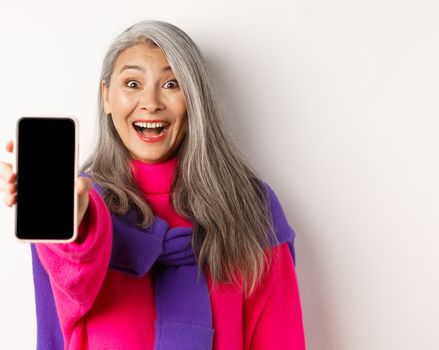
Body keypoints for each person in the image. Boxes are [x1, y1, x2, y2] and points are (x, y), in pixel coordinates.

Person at [0, 20, 306, 349]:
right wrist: (76, 225)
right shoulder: (81, 204)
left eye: (172, 84)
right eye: (132, 83)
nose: (151, 102)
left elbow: (280, 337)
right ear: (106, 97)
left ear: (195, 100)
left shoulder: (250, 204)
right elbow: (73, 281)